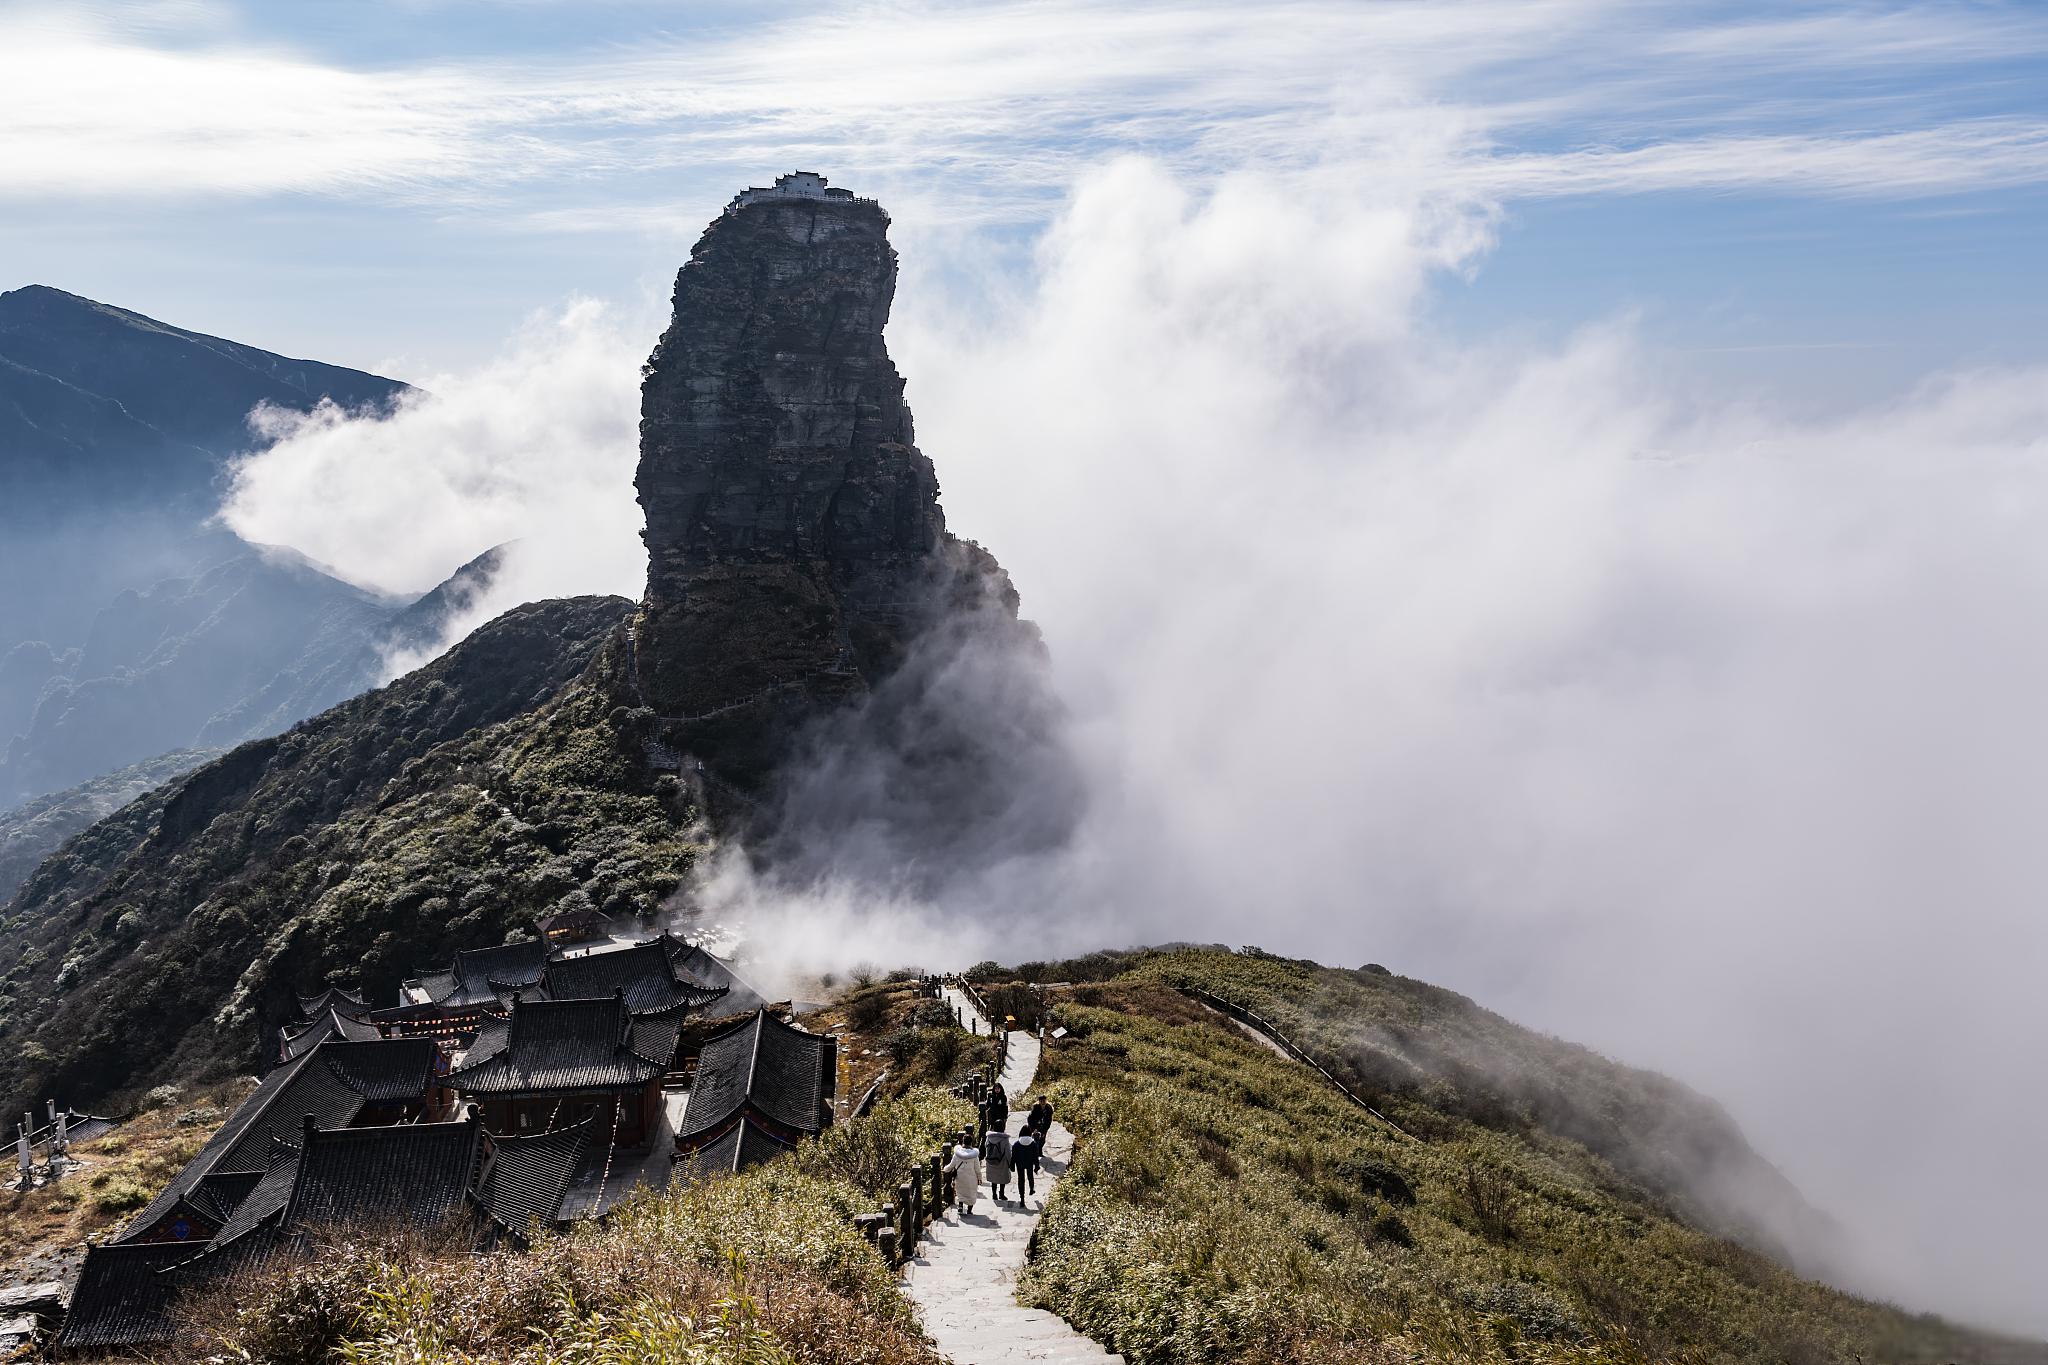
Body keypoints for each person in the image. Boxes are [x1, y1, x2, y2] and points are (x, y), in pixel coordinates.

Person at [942, 1136, 982, 1216]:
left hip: (960, 1177)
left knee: (960, 1191)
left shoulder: (957, 1154)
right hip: (971, 1178)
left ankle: (960, 1206)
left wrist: (944, 1169)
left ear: (962, 1142)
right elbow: (977, 1169)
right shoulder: (974, 1156)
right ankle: (969, 1210)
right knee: (971, 1193)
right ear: (971, 1143)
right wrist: (979, 1178)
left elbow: (951, 1165)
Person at [982, 1125, 1014, 1202]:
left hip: (991, 1161)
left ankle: (994, 1194)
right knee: (1002, 1178)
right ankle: (1001, 1194)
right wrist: (1010, 1163)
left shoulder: (989, 1138)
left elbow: (986, 1147)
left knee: (994, 1179)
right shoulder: (1004, 1139)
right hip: (1002, 1162)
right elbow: (1008, 1153)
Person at [1010, 1127, 1040, 1200]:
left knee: (1021, 1180)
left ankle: (1022, 1198)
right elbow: (1036, 1156)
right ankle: (1031, 1189)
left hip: (1019, 1163)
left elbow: (1013, 1156)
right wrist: (1036, 1166)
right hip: (1029, 1163)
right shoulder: (1033, 1144)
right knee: (1030, 1176)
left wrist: (1012, 1166)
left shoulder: (1016, 1144)